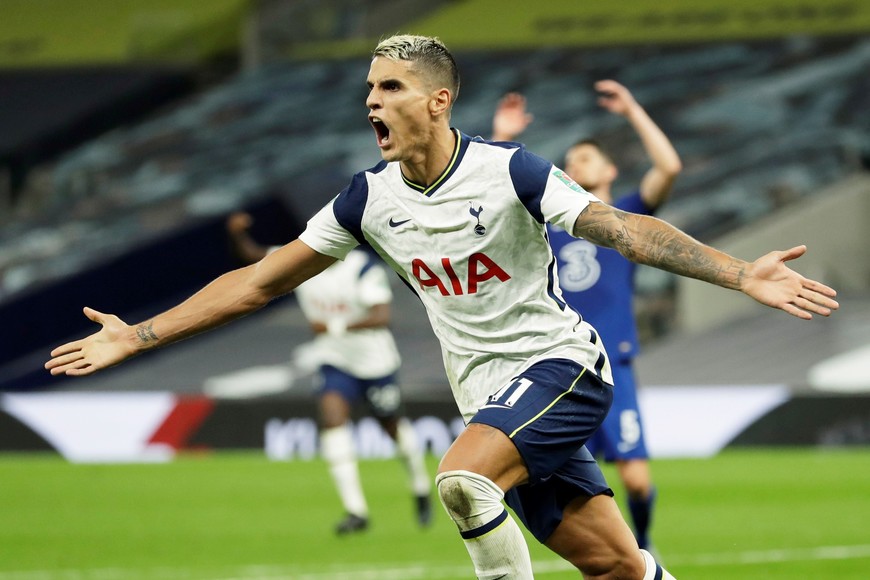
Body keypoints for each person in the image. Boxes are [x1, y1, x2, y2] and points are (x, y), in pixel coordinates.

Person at [46, 35, 838, 579]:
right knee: (616, 565)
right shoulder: (368, 199)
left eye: (389, 88)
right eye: (368, 90)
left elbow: (623, 227)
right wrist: (140, 335)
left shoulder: (512, 171)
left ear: (437, 100)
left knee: (462, 481)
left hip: (562, 369)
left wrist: (740, 275)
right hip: (489, 398)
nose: (372, 102)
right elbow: (258, 282)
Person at [491, 80, 681, 552]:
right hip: (561, 367)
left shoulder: (627, 216)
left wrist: (633, 109)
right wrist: (500, 136)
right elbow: (495, 199)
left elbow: (669, 166)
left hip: (614, 364)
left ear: (610, 168)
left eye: (587, 158)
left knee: (636, 482)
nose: (576, 164)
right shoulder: (549, 227)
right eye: (571, 160)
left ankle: (644, 544)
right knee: (574, 487)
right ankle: (608, 555)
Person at [225, 212, 432, 535]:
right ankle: (356, 511)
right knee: (332, 421)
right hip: (334, 360)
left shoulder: (362, 268)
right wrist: (237, 235)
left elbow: (381, 316)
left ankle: (419, 485)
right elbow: (253, 258)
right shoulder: (300, 262)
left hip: (375, 363)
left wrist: (334, 326)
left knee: (392, 427)